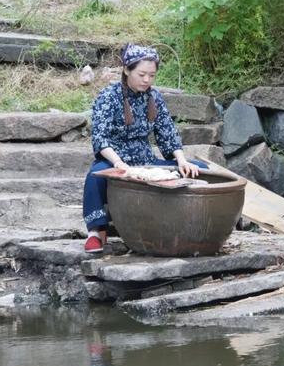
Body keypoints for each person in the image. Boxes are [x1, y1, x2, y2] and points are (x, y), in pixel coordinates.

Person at [83, 43, 206, 253]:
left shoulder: (154, 97)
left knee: (199, 167)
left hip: (145, 161)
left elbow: (167, 132)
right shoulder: (108, 96)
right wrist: (118, 163)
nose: (147, 80)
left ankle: (189, 223)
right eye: (141, 74)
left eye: (151, 75)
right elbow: (101, 138)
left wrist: (182, 160)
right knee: (95, 175)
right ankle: (95, 231)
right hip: (115, 159)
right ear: (126, 70)